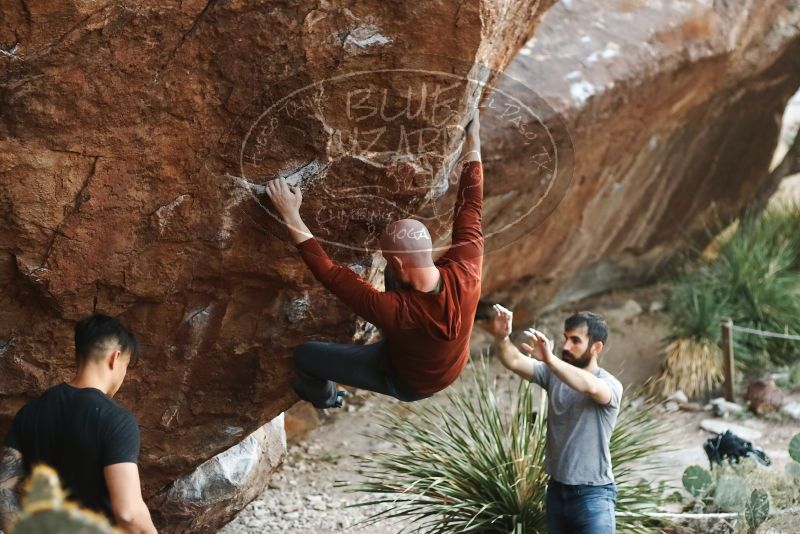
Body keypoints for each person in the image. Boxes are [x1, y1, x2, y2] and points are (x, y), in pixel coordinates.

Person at [266, 115, 484, 408]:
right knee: (399, 286)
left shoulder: (393, 310)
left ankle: (328, 399)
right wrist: (474, 135)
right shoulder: (468, 264)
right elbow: (471, 201)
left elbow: (329, 273)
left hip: (407, 379)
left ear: (400, 262)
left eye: (387, 258)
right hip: (446, 362)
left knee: (305, 356)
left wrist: (291, 214)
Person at [0, 314, 157, 534]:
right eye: (126, 366)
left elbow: (3, 490)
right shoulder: (117, 421)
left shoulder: (30, 412)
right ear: (115, 358)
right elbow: (128, 513)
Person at [489, 304, 623, 534]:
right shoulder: (554, 374)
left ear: (596, 347)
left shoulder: (609, 384)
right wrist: (502, 337)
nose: (566, 346)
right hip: (556, 493)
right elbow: (514, 361)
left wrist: (549, 360)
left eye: (576, 340)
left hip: (594, 496)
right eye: (565, 338)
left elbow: (590, 387)